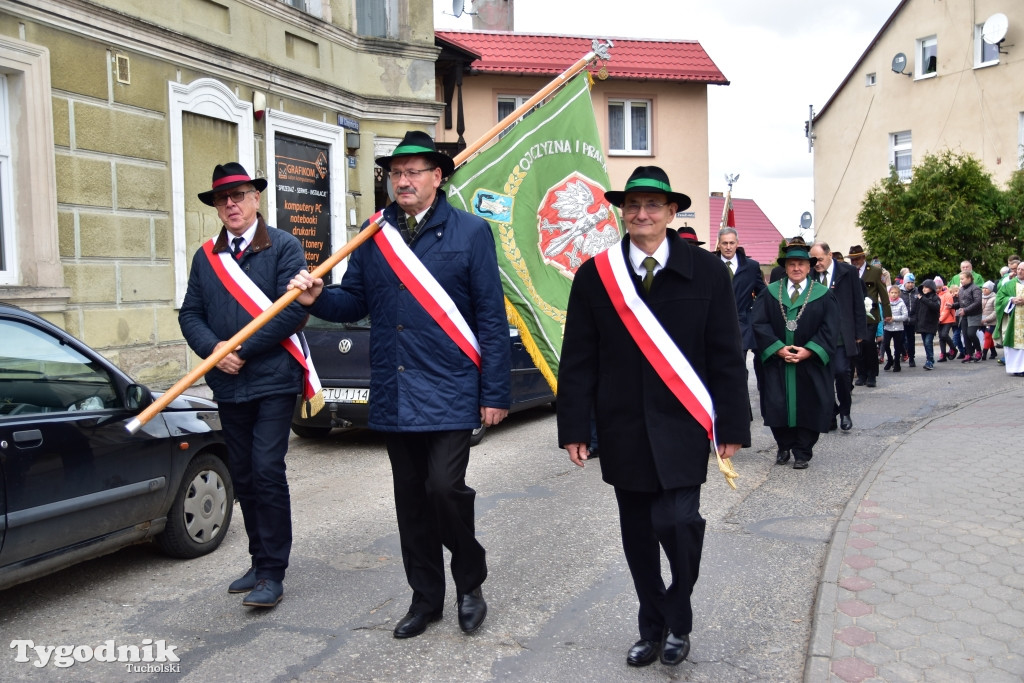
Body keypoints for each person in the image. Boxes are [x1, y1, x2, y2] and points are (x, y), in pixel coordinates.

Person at [289, 131, 511, 638]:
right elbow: (353, 304)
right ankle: (426, 599)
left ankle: (470, 580)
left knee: (444, 488)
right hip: (394, 387)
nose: (404, 180)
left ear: (438, 177)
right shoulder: (374, 234)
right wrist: (316, 299)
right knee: (411, 501)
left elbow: (490, 318)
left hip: (452, 386)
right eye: (396, 173)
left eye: (414, 172)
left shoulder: (471, 232)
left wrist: (495, 393)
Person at [556, 166, 750, 668]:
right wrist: (575, 427)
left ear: (671, 212)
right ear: (623, 212)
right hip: (622, 427)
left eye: (653, 205)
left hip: (684, 425)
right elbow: (579, 357)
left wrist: (731, 425)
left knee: (680, 521)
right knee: (638, 533)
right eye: (633, 205)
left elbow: (726, 352)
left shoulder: (705, 271)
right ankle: (652, 625)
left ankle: (677, 615)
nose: (642, 214)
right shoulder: (596, 274)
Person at [179, 162, 311, 609]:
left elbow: (292, 311)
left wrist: (243, 350)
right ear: (217, 208)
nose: (231, 204)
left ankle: (274, 571)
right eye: (222, 198)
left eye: (239, 195)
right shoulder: (206, 257)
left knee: (267, 469)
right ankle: (259, 560)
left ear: (256, 199)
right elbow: (189, 314)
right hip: (229, 384)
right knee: (245, 475)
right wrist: (215, 348)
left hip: (273, 380)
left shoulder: (285, 246)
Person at [751, 242, 838, 469]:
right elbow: (759, 323)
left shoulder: (823, 295)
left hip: (810, 364)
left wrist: (809, 350)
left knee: (810, 404)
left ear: (809, 267)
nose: (797, 268)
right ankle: (783, 446)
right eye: (792, 264)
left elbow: (830, 328)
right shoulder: (769, 293)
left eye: (801, 264)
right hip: (777, 362)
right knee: (776, 403)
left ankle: (803, 451)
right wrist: (777, 348)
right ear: (786, 267)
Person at [809, 242, 865, 431]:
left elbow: (857, 301)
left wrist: (859, 332)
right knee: (823, 376)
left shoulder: (847, 272)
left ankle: (845, 411)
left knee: (842, 372)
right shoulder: (811, 275)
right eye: (814, 260)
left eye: (820, 259)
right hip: (818, 334)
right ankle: (831, 413)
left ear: (830, 255)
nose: (817, 263)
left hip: (841, 332)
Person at [717, 227, 766, 389]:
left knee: (738, 368)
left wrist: (754, 317)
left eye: (732, 243)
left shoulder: (751, 267)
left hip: (742, 327)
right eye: (725, 243)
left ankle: (742, 409)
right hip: (716, 326)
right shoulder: (710, 264)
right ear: (719, 245)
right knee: (720, 369)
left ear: (737, 243)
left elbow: (763, 295)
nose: (728, 247)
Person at [847, 245, 891, 387]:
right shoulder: (848, 272)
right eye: (853, 259)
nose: (855, 262)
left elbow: (883, 294)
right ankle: (861, 374)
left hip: (870, 315)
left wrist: (888, 313)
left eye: (857, 258)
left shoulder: (875, 272)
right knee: (857, 346)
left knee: (868, 344)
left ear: (863, 257)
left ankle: (872, 375)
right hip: (853, 315)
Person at [995, 261, 1024, 376]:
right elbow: (999, 299)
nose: (1020, 271)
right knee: (1014, 345)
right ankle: (1016, 369)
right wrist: (1011, 300)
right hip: (1013, 320)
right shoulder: (1009, 284)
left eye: (1022, 270)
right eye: (1018, 269)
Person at [914, 279, 941, 370]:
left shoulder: (935, 298)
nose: (924, 289)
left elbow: (935, 307)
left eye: (927, 287)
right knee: (926, 344)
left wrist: (923, 299)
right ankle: (930, 358)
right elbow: (915, 310)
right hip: (922, 324)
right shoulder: (919, 298)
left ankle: (929, 360)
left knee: (928, 342)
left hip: (931, 324)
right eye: (923, 287)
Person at [956, 271, 983, 362]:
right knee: (965, 335)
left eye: (962, 279)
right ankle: (968, 354)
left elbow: (977, 302)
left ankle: (978, 351)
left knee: (971, 333)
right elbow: (961, 303)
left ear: (969, 278)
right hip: (964, 315)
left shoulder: (975, 288)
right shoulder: (962, 289)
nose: (961, 281)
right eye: (960, 279)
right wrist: (952, 305)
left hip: (974, 315)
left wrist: (965, 310)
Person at [882, 285, 909, 372]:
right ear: (889, 293)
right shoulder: (886, 303)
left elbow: (905, 316)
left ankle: (897, 363)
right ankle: (890, 360)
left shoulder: (901, 303)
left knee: (897, 346)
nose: (894, 295)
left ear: (899, 294)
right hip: (887, 328)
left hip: (898, 329)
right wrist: (885, 319)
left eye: (895, 293)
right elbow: (881, 314)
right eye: (892, 293)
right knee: (885, 344)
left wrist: (893, 318)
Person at [900, 273, 917, 367]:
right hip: (902, 320)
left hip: (912, 320)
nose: (910, 284)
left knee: (911, 340)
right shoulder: (900, 292)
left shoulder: (917, 291)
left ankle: (911, 358)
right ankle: (901, 354)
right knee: (901, 339)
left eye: (912, 282)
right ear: (905, 282)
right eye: (908, 282)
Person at [980, 280, 999, 361]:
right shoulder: (980, 297)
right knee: (988, 337)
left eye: (986, 288)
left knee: (987, 336)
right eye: (983, 288)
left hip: (991, 321)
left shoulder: (995, 298)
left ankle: (984, 353)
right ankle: (993, 352)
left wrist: (987, 319)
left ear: (990, 289)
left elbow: (996, 311)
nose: (984, 290)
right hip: (982, 321)